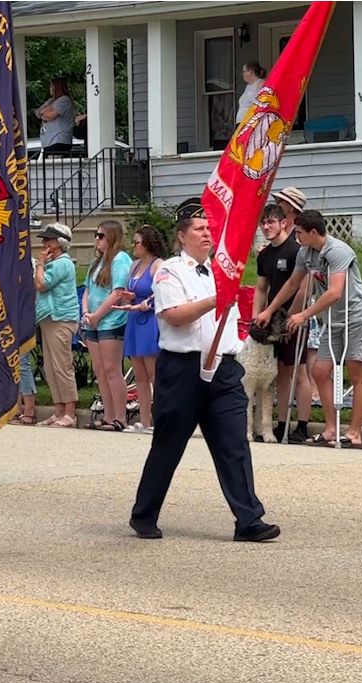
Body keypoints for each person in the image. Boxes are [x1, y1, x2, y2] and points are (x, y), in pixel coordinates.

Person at [129, 198, 279, 542]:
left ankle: (249, 520)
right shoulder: (169, 271)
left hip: (224, 371)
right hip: (183, 371)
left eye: (210, 229)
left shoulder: (221, 272)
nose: (207, 234)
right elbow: (174, 316)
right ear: (182, 236)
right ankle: (144, 514)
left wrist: (225, 293)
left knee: (234, 445)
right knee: (168, 446)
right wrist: (215, 300)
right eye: (199, 229)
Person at [257, 210, 362, 449]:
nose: (297, 237)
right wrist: (270, 311)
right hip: (333, 318)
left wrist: (304, 315)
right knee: (320, 371)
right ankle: (331, 429)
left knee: (356, 371)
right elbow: (293, 283)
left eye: (300, 233)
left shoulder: (338, 251)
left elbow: (334, 292)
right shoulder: (306, 252)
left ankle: (354, 432)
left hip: (357, 315)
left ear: (313, 232)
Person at [253, 203, 312, 443]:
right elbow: (261, 288)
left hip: (294, 318)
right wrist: (257, 315)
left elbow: (304, 288)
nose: (266, 227)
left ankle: (303, 425)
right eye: (263, 223)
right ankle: (282, 423)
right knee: (280, 372)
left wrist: (292, 318)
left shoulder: (297, 251)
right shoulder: (265, 255)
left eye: (271, 222)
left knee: (299, 371)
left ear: (284, 223)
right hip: (271, 319)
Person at [82, 219, 132, 431]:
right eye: (96, 235)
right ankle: (108, 415)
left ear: (112, 237)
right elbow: (87, 289)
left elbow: (118, 292)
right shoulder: (98, 262)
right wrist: (86, 312)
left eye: (101, 236)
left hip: (111, 320)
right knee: (100, 369)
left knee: (112, 369)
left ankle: (120, 416)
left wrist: (98, 315)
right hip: (92, 321)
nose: (97, 239)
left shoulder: (120, 259)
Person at [116, 224, 166, 434]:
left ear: (147, 244)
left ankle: (160, 420)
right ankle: (144, 421)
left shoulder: (158, 265)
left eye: (137, 242)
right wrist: (131, 297)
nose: (133, 246)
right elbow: (134, 290)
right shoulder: (135, 265)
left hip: (149, 318)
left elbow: (162, 291)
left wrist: (143, 303)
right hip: (134, 318)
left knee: (154, 373)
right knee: (140, 375)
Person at [33, 223, 80, 427]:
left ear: (59, 243)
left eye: (48, 240)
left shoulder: (62, 263)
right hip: (48, 318)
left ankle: (70, 412)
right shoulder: (53, 263)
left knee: (62, 366)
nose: (44, 243)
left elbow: (41, 284)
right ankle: (59, 410)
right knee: (51, 367)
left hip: (61, 317)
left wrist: (40, 264)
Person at [35, 77, 76, 155]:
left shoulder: (64, 100)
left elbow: (50, 115)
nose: (50, 88)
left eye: (51, 86)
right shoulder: (51, 101)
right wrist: (43, 113)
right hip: (49, 142)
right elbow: (38, 112)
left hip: (59, 141)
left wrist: (43, 113)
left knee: (55, 161)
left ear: (57, 87)